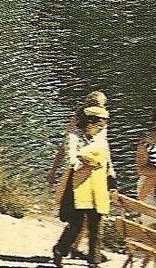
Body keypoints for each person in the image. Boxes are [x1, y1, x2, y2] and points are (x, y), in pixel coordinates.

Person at [51, 102, 115, 268]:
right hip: (77, 186)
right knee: (76, 224)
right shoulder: (74, 138)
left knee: (96, 224)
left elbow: (107, 162)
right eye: (100, 124)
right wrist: (88, 162)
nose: (103, 128)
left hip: (97, 185)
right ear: (90, 123)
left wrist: (112, 181)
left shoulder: (101, 140)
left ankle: (94, 261)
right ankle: (60, 250)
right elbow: (71, 162)